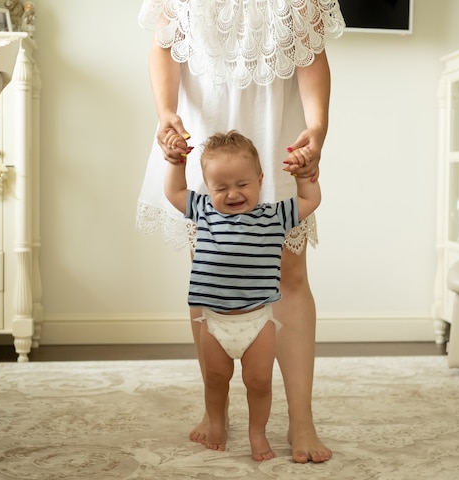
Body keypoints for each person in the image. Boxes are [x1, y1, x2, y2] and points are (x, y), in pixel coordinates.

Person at [137, 0, 345, 463]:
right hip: (203, 127)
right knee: (210, 274)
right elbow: (165, 44)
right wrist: (165, 111)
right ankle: (216, 412)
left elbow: (310, 52)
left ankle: (301, 419)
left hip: (273, 129)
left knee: (289, 275)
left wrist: (318, 125)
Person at [164, 130, 321, 460]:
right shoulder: (204, 210)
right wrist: (176, 161)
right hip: (214, 320)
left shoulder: (273, 216)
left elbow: (310, 201)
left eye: (242, 184)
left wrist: (305, 177)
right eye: (221, 187)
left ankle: (257, 433)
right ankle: (217, 421)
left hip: (259, 321)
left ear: (260, 180)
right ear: (208, 188)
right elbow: (174, 191)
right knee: (215, 379)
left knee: (259, 382)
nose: (232, 193)